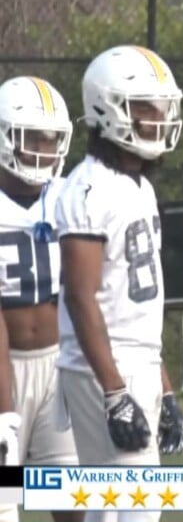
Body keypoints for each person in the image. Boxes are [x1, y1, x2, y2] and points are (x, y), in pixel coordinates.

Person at [53, 46, 183, 521]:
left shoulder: (141, 187)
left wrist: (163, 387)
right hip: (102, 368)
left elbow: (135, 308)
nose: (159, 118)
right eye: (144, 107)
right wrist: (114, 392)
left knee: (111, 510)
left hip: (135, 362)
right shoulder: (87, 188)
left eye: (162, 107)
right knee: (137, 507)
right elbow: (80, 296)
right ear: (106, 109)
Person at [0, 76, 82, 522]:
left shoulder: (71, 195)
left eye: (52, 140)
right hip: (1, 364)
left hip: (58, 370)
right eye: (32, 139)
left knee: (74, 505)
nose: (44, 151)